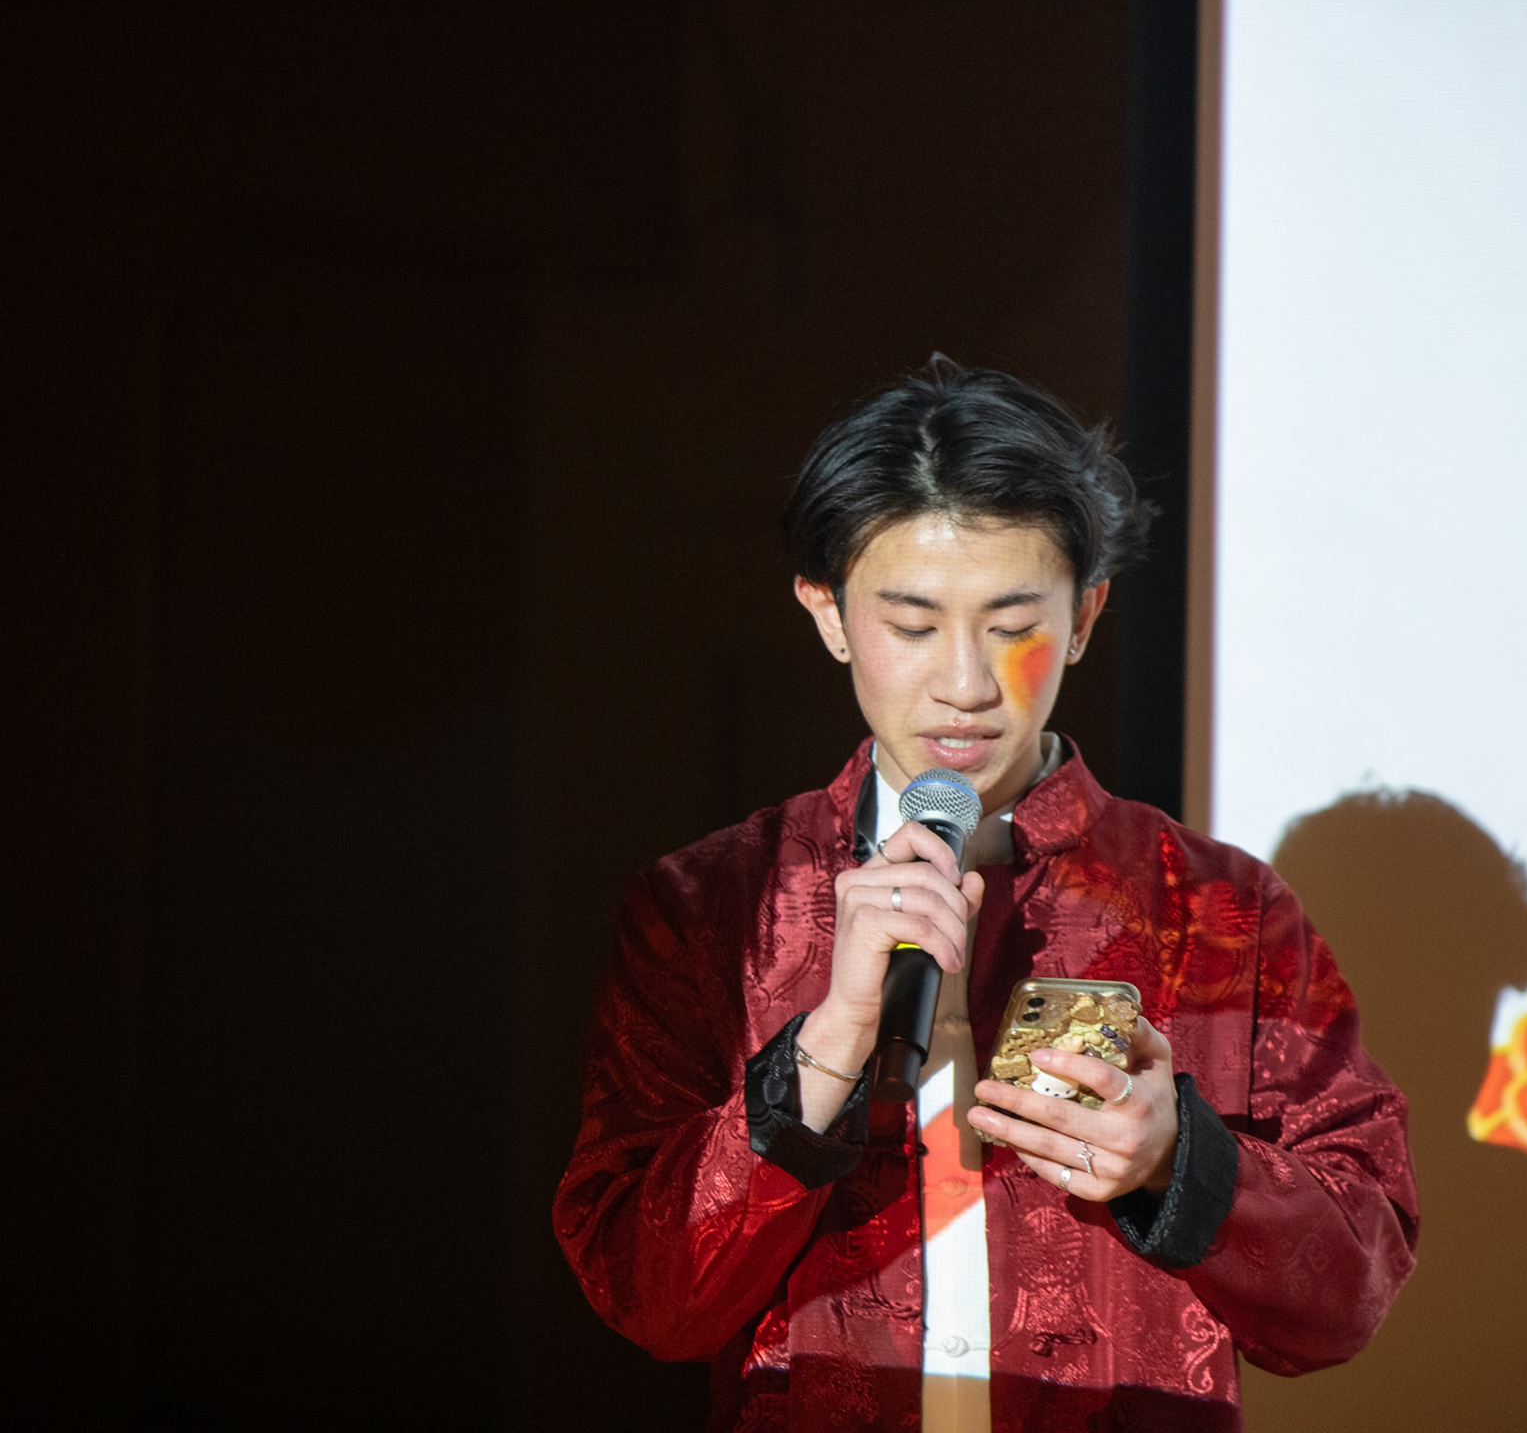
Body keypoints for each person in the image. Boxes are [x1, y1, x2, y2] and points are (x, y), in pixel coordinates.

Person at [552, 358, 1418, 1432]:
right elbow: (647, 1294)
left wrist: (1177, 1162)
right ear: (828, 613)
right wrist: (831, 1039)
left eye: (1013, 626)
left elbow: (1350, 1290)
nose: (965, 683)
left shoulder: (1219, 910)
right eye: (912, 626)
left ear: (1087, 614)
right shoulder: (710, 905)